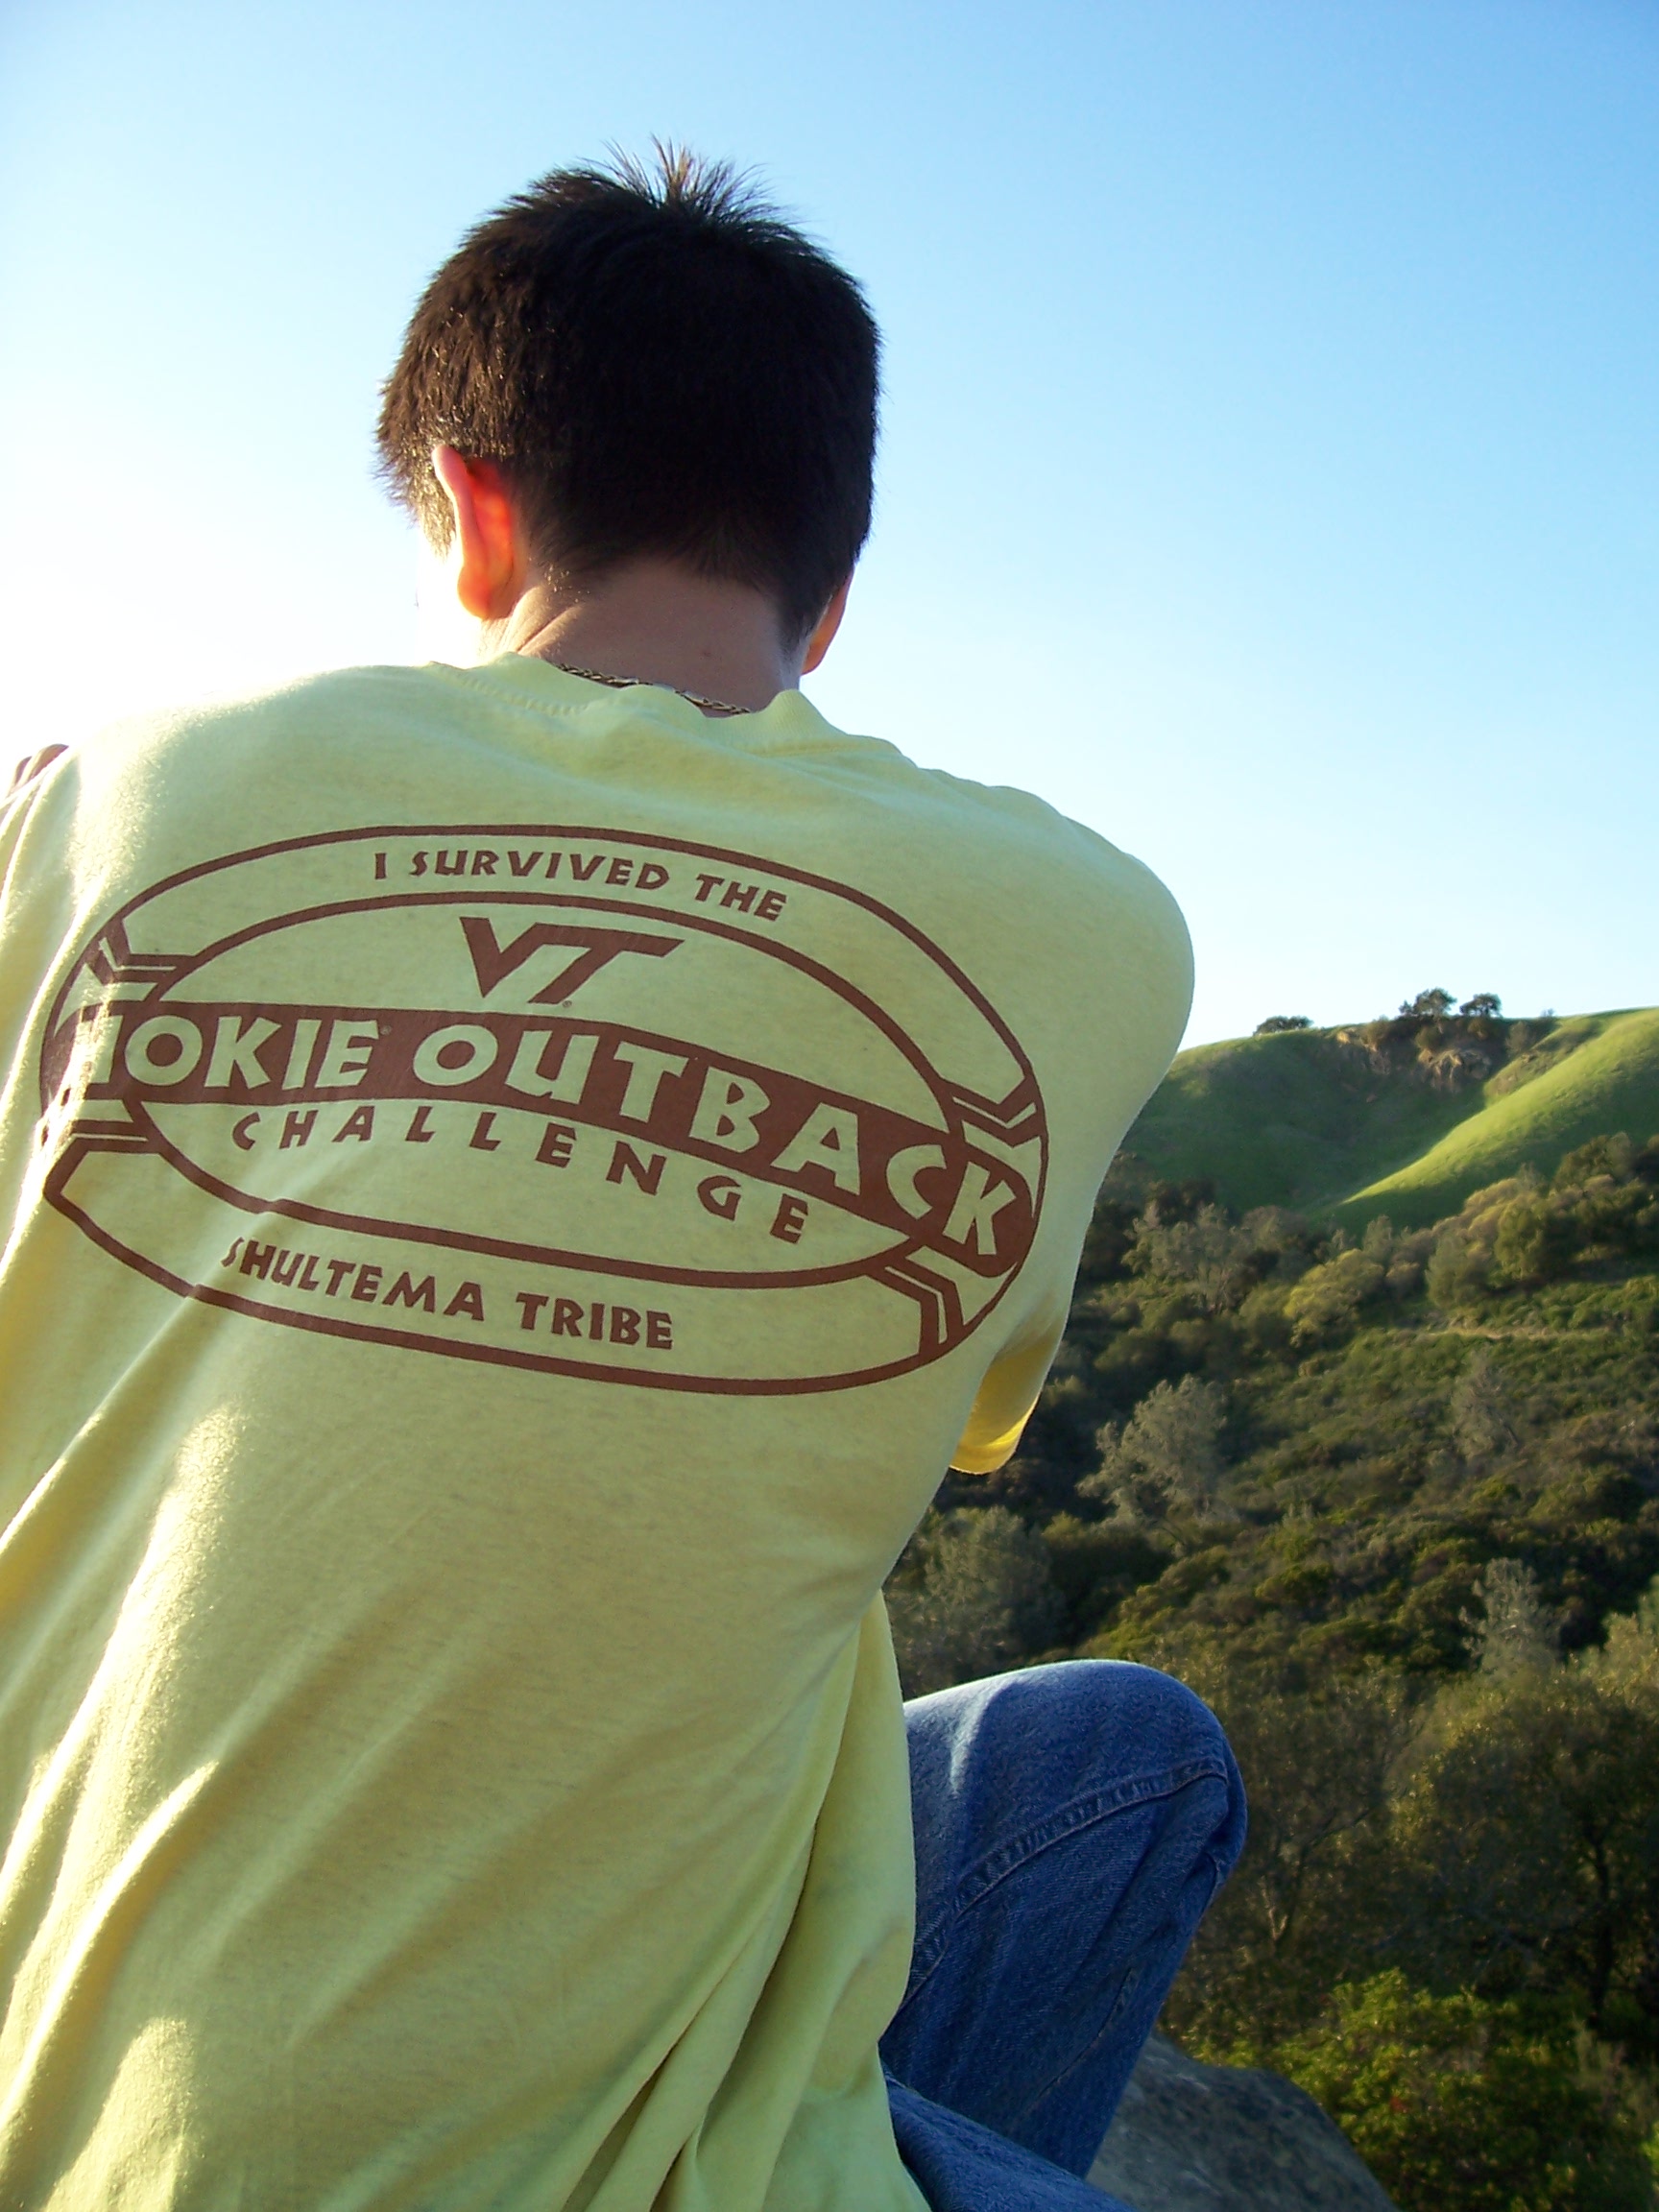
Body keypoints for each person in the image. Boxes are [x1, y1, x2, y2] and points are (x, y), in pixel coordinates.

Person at [0, 149, 1243, 2209]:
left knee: (1104, 1755)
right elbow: (962, 1413)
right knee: (1131, 1758)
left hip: (52, 2087)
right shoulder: (1087, 925)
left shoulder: (107, 801)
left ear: (470, 510)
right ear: (830, 591)